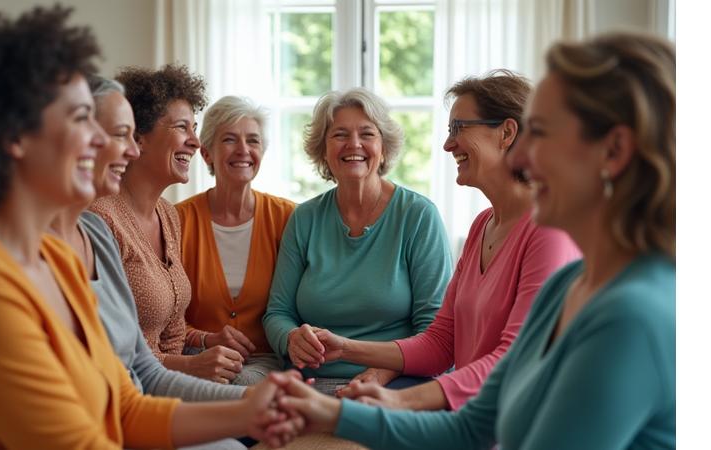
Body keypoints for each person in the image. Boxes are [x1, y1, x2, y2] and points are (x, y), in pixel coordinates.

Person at [268, 31, 676, 450]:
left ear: (614, 152)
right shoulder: (562, 283)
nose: (522, 158)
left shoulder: (632, 316)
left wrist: (393, 399)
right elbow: (469, 421)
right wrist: (336, 411)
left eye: (541, 133)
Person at [0, 7, 299, 449]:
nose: (105, 143)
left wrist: (251, 408)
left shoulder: (56, 258)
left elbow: (127, 404)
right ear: (14, 135)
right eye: (79, 119)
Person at [322, 71, 580, 411]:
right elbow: (441, 343)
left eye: (459, 128)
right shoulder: (482, 226)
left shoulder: (550, 229)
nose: (448, 144)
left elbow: (514, 358)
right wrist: (344, 347)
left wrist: (399, 400)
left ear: (507, 133)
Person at [263, 88, 454, 392]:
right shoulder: (305, 218)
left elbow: (435, 329)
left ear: (384, 147)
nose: (354, 144)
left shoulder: (418, 216)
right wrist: (290, 338)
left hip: (395, 379)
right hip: (311, 380)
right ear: (323, 149)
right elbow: (278, 312)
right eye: (340, 134)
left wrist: (383, 371)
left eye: (367, 133)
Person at [90, 65, 245, 384]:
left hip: (171, 377)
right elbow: (110, 351)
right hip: (138, 385)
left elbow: (170, 332)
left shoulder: (168, 214)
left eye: (195, 129)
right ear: (139, 138)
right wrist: (189, 367)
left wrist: (205, 341)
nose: (194, 141)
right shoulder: (101, 218)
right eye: (181, 128)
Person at [176, 96, 295, 386]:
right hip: (196, 353)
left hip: (265, 359)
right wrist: (205, 339)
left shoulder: (289, 217)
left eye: (253, 141)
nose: (243, 150)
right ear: (206, 154)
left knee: (241, 385)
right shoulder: (176, 220)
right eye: (229, 140)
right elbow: (165, 314)